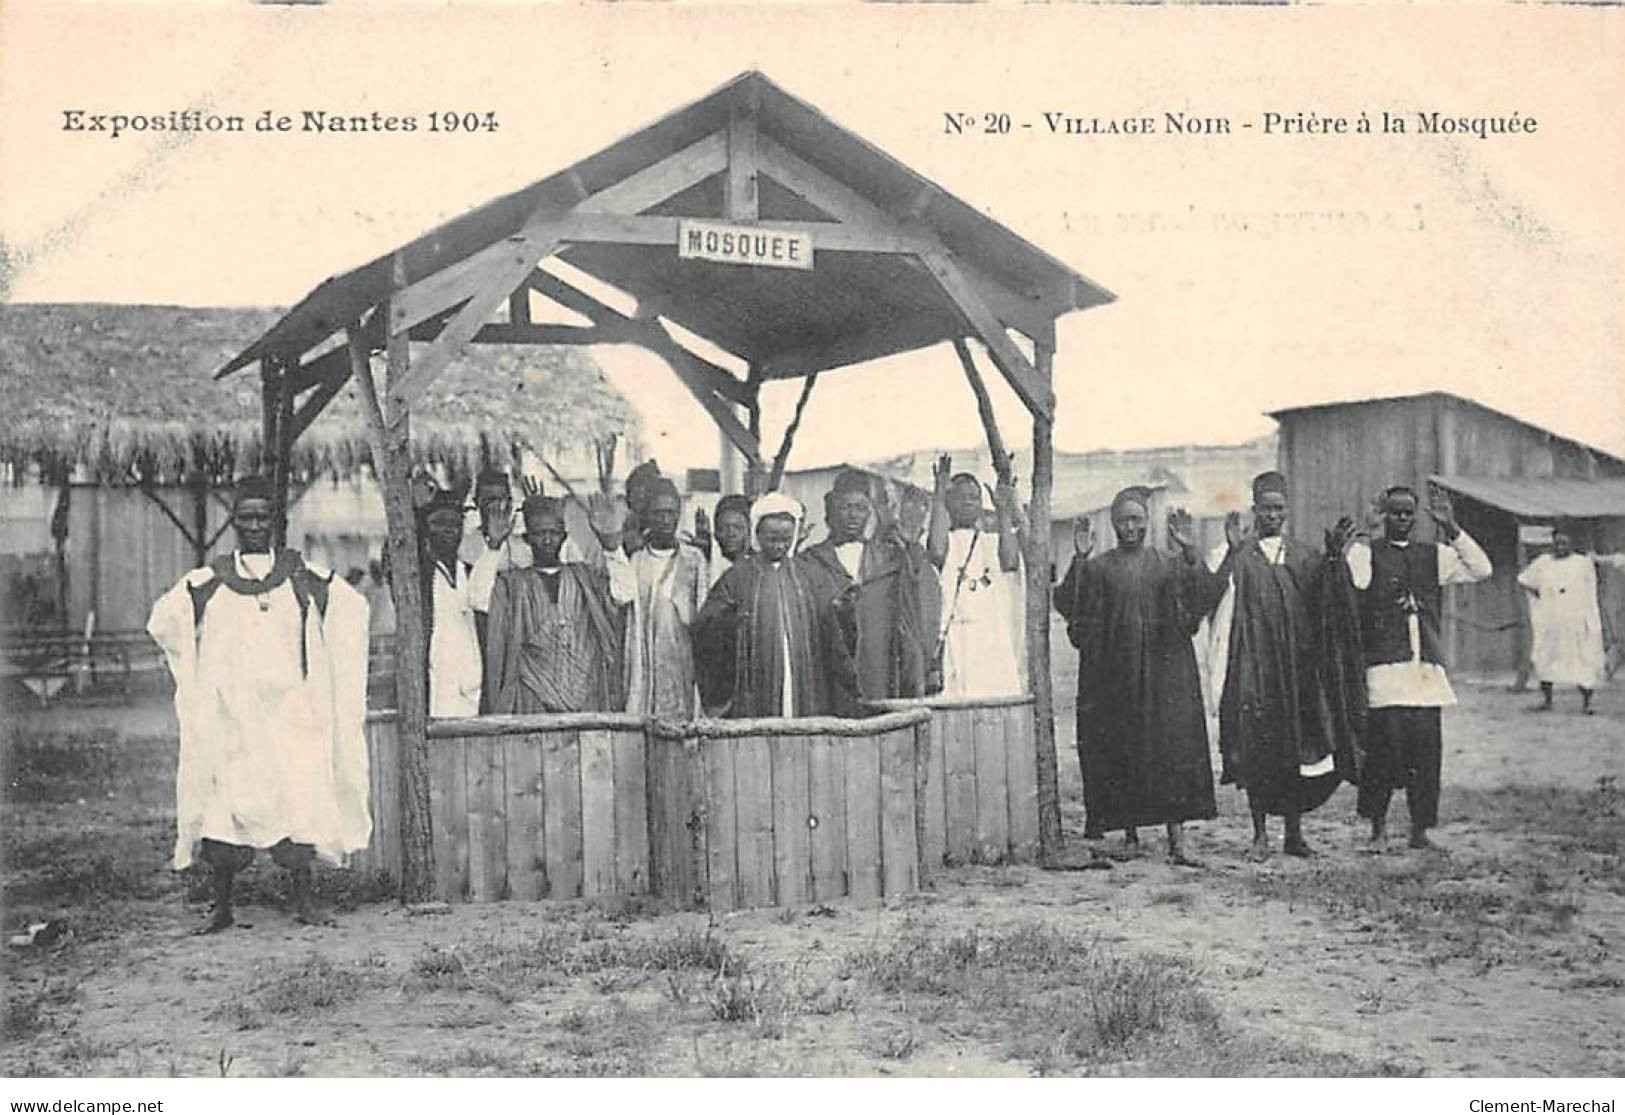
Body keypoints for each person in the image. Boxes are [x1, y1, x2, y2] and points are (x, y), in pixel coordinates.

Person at [146, 476, 371, 932]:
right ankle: (223, 907)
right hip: (235, 718)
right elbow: (164, 619)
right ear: (233, 521)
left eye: (262, 517)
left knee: (298, 799)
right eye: (245, 517)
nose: (253, 525)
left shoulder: (302, 577)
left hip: (290, 716)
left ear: (275, 521)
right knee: (225, 805)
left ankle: (305, 901)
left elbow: (352, 610)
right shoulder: (208, 582)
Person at [1198, 471, 1364, 859]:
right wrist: (1233, 553)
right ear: (1255, 510)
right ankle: (1259, 835)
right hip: (1254, 670)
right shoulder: (1237, 553)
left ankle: (1294, 833)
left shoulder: (1305, 556)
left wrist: (1335, 560)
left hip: (1297, 672)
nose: (1273, 515)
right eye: (1266, 508)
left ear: (1287, 511)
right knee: (1258, 750)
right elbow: (1210, 596)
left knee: (1297, 749)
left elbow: (1328, 603)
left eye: (1279, 509)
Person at [1054, 491, 1216, 864]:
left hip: (1165, 674)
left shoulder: (1169, 563)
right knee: (1124, 748)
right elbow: (1068, 604)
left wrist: (1191, 553)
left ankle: (1177, 840)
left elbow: (1202, 597)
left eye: (1138, 520)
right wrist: (1079, 558)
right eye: (1125, 520)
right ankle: (1130, 835)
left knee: (1171, 752)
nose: (1132, 527)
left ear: (1148, 522)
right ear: (1113, 524)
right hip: (1117, 673)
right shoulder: (1099, 568)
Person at [1347, 484, 1492, 850]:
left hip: (1424, 674)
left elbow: (1482, 569)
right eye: (1395, 512)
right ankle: (1378, 830)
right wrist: (1366, 532)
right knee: (1383, 754)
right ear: (1385, 515)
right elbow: (1355, 579)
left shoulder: (1434, 555)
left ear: (1416, 517)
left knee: (1426, 757)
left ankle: (1420, 830)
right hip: (1386, 673)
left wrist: (1453, 527)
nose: (1402, 519)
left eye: (1409, 512)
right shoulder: (1371, 553)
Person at [692, 492, 857, 718]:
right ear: (757, 534)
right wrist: (730, 625)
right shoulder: (738, 577)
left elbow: (834, 627)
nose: (779, 546)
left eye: (786, 539)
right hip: (756, 679)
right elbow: (706, 625)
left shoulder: (811, 575)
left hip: (804, 677)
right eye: (772, 539)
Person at [482, 495, 633, 714]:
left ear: (564, 537)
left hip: (585, 695)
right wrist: (494, 546)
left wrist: (611, 546)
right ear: (526, 538)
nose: (547, 540)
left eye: (553, 533)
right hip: (532, 695)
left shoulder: (585, 578)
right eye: (539, 534)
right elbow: (478, 600)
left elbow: (625, 594)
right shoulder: (512, 584)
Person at [800, 469, 938, 702]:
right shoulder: (811, 562)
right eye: (846, 507)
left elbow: (912, 619)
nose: (853, 515)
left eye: (861, 508)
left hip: (878, 672)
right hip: (829, 676)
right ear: (831, 510)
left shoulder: (889, 561)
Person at [928, 456, 1025, 698]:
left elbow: (1010, 561)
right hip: (957, 636)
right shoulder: (945, 541)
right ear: (950, 503)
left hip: (990, 637)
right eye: (961, 498)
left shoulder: (991, 541)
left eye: (974, 498)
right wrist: (938, 496)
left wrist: (1003, 512)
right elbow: (937, 551)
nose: (969, 503)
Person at [622, 477, 708, 720]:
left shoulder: (694, 560)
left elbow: (702, 615)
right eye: (658, 513)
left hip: (684, 658)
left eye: (671, 513)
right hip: (648, 656)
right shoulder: (637, 560)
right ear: (647, 516)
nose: (665, 520)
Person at [1519, 522, 1625, 714]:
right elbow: (1525, 580)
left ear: (1571, 544)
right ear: (1553, 544)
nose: (1561, 547)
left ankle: (1587, 703)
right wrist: (1541, 596)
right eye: (1557, 543)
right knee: (1547, 658)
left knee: (1582, 660)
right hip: (1551, 620)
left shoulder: (1582, 563)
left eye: (1564, 543)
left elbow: (1594, 586)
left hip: (1576, 620)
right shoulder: (1543, 562)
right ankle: (1547, 700)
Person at [420, 490, 483, 717]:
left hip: (470, 678)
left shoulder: (469, 571)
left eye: (455, 524)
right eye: (439, 523)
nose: (449, 530)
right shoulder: (419, 577)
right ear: (425, 529)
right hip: (436, 677)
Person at [707, 494, 754, 588]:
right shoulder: (711, 569)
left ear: (751, 529)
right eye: (722, 528)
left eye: (737, 527)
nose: (730, 534)